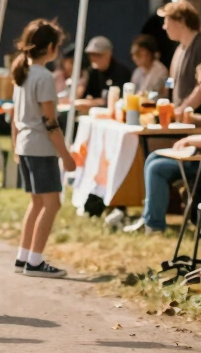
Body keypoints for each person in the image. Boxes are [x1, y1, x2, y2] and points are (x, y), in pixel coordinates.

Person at [125, 57, 201, 234]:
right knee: (154, 156)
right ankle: (149, 218)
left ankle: (154, 225)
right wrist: (197, 121)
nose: (199, 88)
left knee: (157, 167)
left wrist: (189, 140)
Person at [10, 20, 76, 277]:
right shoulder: (43, 76)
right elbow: (51, 122)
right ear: (50, 47)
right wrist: (66, 156)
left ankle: (23, 256)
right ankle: (35, 262)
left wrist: (16, 146)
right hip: (40, 147)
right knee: (52, 204)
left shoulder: (22, 72)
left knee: (37, 203)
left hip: (26, 145)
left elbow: (15, 115)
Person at [161, 0, 201, 112]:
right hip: (182, 117)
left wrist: (183, 109)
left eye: (168, 21)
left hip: (198, 117)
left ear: (181, 21)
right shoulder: (180, 49)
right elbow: (171, 80)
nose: (164, 27)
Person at [74, 36, 132, 110]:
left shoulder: (121, 72)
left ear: (108, 54)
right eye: (91, 55)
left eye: (98, 55)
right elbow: (87, 95)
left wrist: (95, 102)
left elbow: (120, 99)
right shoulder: (92, 72)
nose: (93, 58)